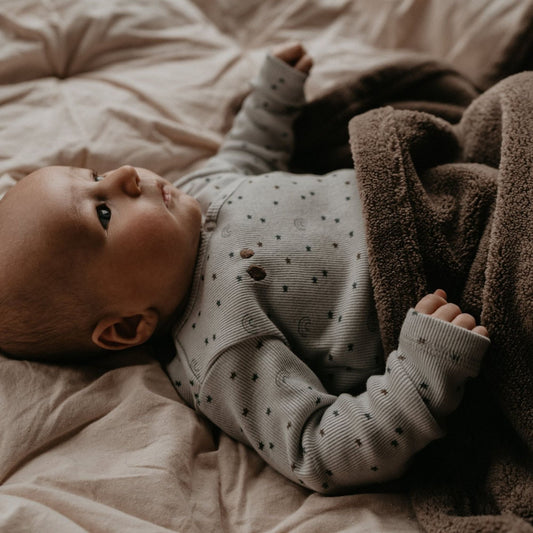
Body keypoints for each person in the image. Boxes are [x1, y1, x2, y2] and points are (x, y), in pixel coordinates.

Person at [0, 43, 490, 493]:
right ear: (128, 325)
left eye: (96, 177)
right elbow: (317, 452)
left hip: (435, 190)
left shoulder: (194, 190)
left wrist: (271, 102)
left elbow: (249, 152)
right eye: (103, 214)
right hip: (455, 272)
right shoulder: (220, 348)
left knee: (501, 108)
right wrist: (421, 371)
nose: (126, 175)